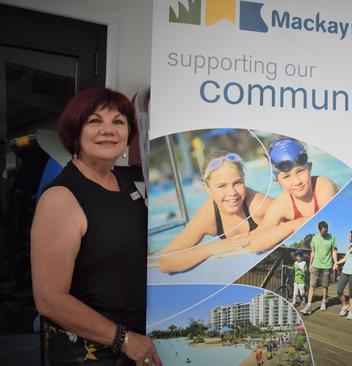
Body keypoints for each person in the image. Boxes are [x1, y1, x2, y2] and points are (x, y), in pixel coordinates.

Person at [30, 87, 160, 365]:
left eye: (118, 121)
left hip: (138, 344)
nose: (108, 130)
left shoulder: (127, 186)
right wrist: (123, 339)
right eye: (94, 121)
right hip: (93, 352)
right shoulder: (62, 197)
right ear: (74, 130)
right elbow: (49, 299)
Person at [157, 152, 271, 272]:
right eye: (222, 186)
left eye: (237, 183)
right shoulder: (209, 215)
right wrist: (212, 247)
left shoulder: (258, 204)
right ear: (207, 189)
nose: (232, 192)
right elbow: (165, 262)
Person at [257, 138, 338, 229]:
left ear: (309, 168)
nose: (297, 182)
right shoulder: (282, 204)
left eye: (300, 171)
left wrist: (289, 226)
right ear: (277, 181)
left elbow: (329, 221)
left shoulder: (323, 186)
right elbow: (258, 236)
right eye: (286, 177)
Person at [301, 221, 337, 315]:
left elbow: (333, 251)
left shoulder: (332, 237)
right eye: (323, 231)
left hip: (326, 266)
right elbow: (312, 251)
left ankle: (324, 302)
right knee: (312, 285)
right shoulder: (315, 238)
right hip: (315, 265)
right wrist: (310, 264)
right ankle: (308, 305)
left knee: (325, 286)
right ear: (319, 230)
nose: (325, 232)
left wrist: (336, 263)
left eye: (326, 230)